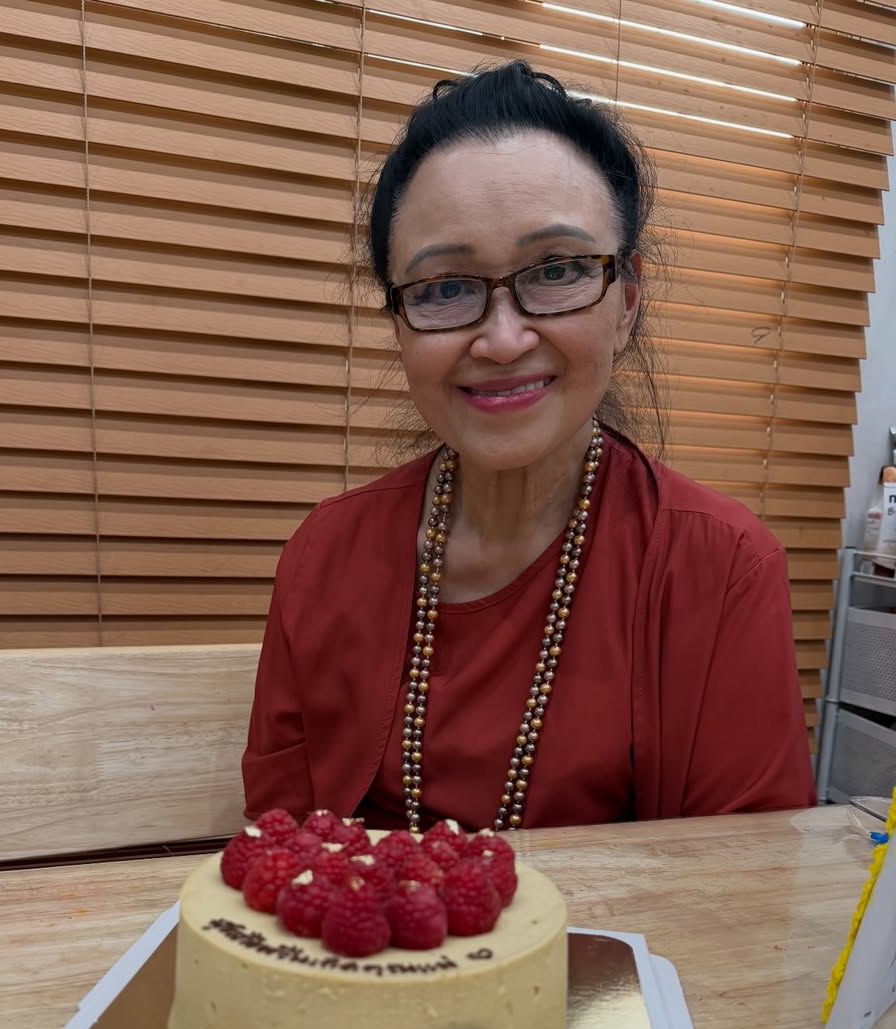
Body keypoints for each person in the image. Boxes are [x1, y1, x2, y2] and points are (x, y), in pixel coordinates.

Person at [243, 61, 816, 832]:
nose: (503, 339)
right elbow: (279, 849)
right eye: (445, 287)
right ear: (399, 325)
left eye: (556, 270)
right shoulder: (324, 559)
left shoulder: (720, 571)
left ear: (627, 303)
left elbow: (743, 876)